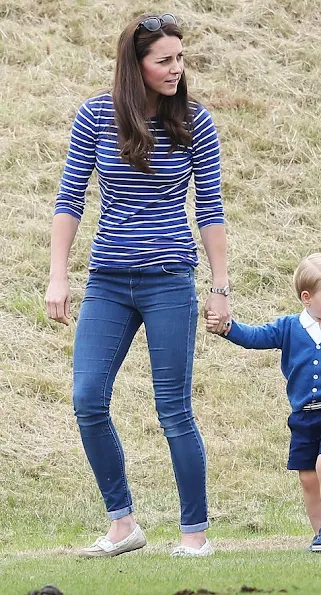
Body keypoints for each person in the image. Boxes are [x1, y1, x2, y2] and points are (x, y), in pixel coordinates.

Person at [45, 12, 232, 558]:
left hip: (171, 279)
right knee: (87, 399)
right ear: (136, 64)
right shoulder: (96, 116)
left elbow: (212, 210)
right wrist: (59, 276)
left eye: (180, 58)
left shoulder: (196, 121)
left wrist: (220, 286)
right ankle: (123, 524)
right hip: (107, 280)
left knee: (173, 409)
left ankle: (194, 535)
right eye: (164, 59)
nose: (176, 68)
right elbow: (69, 199)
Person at [206, 253, 321, 552]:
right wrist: (227, 328)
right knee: (307, 477)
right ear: (307, 297)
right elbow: (254, 336)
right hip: (302, 416)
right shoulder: (288, 327)